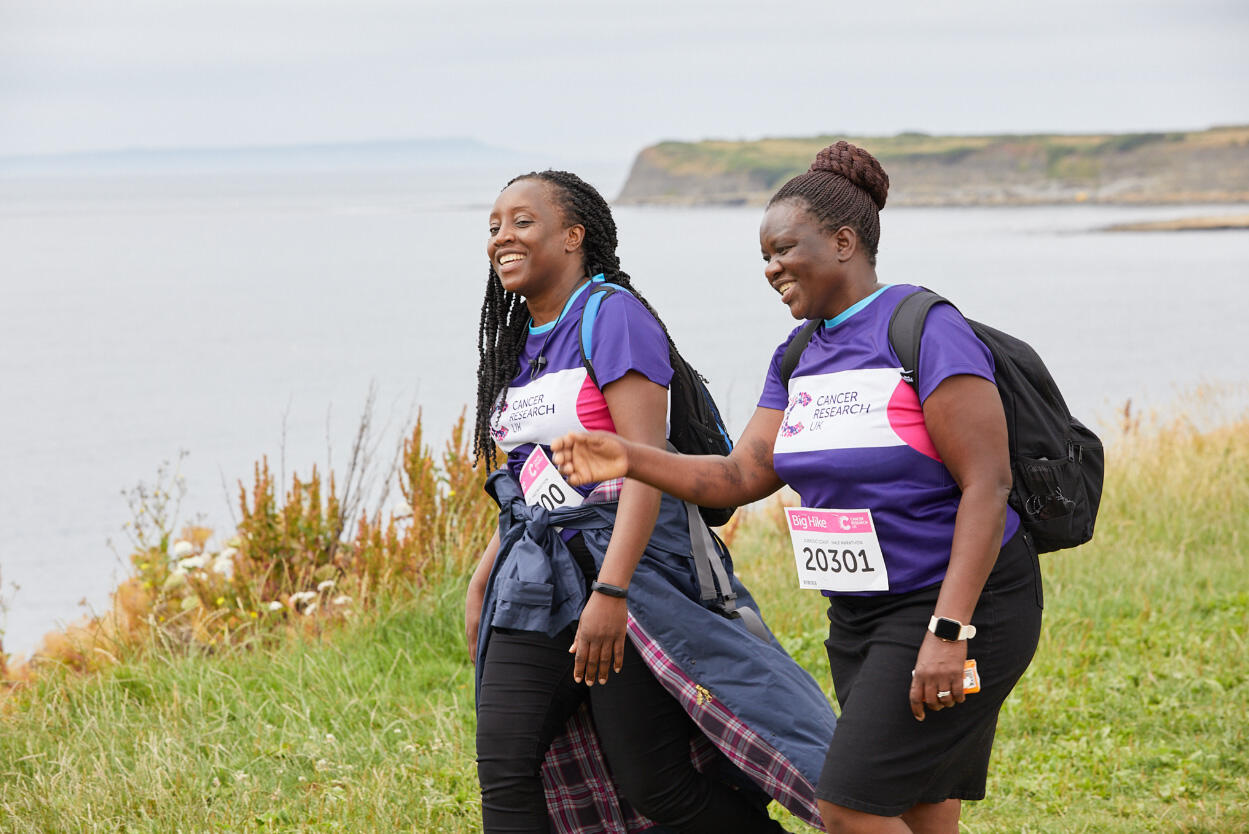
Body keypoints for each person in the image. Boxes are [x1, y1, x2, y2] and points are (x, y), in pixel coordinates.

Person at [551, 142, 1044, 834]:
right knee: (917, 809)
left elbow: (986, 486)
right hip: (859, 612)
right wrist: (630, 456)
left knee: (844, 807)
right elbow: (737, 475)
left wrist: (948, 630)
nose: (771, 268)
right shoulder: (797, 356)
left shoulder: (924, 329)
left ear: (843, 242)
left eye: (783, 249)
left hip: (958, 603)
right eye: (763, 256)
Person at [466, 169, 836, 834]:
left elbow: (645, 465)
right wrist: (485, 573)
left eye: (521, 221)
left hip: (627, 572)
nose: (501, 238)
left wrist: (611, 594)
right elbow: (529, 476)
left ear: (573, 235)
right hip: (535, 575)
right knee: (509, 765)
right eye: (493, 226)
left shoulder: (610, 315)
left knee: (654, 782)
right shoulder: (519, 342)